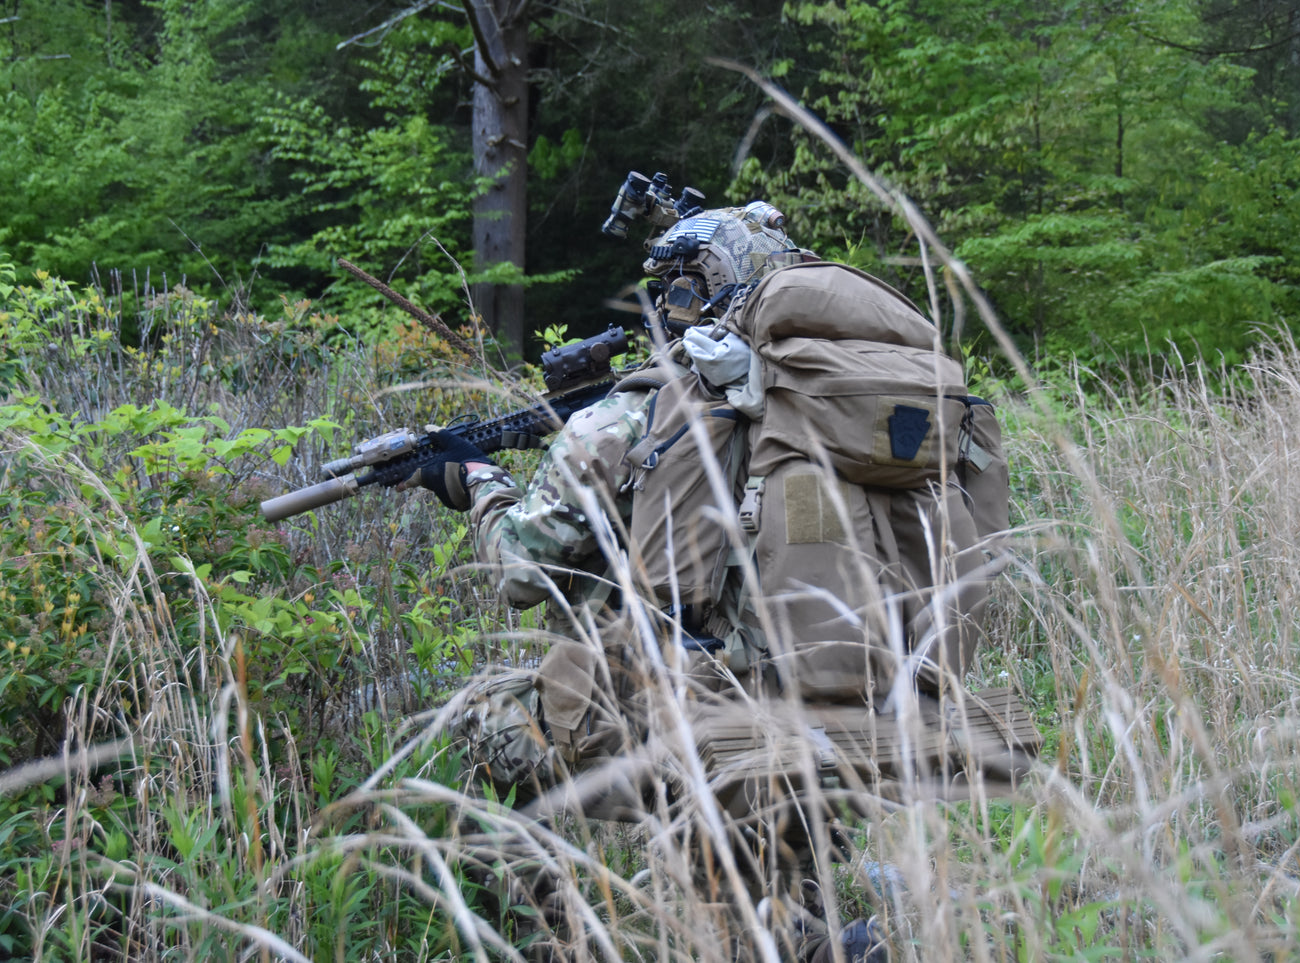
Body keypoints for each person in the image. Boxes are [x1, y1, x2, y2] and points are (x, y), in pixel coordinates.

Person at [405, 172, 1021, 962]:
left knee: (485, 716)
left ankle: (546, 937)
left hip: (723, 724)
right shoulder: (866, 409)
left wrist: (479, 484)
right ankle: (794, 916)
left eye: (668, 292)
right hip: (893, 707)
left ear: (691, 296)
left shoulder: (636, 414)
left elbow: (524, 570)